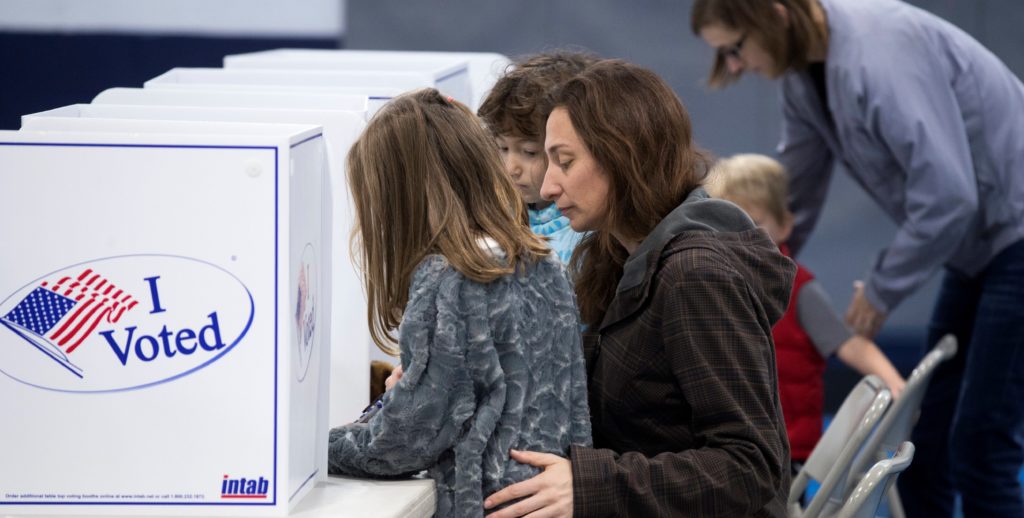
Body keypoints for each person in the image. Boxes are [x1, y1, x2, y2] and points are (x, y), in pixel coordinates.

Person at [691, 1, 1024, 515]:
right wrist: (751, 277)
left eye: (734, 48)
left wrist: (884, 287)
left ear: (775, 14)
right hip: (978, 250)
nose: (733, 66)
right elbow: (793, 196)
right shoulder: (805, 75)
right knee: (926, 442)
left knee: (982, 439)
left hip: (1013, 237)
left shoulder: (880, 52)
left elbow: (950, 195)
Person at [483, 60, 794, 517]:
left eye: (564, 162)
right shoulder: (618, 252)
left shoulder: (695, 275)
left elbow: (750, 467)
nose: (548, 185)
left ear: (623, 157)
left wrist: (591, 486)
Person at [327, 89, 592, 518]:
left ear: (400, 198)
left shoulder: (451, 277)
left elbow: (406, 439)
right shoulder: (543, 260)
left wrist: (317, 449)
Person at [706, 153, 905, 471]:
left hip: (785, 449)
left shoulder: (799, 288)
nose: (737, 236)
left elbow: (848, 342)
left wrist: (895, 385)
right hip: (727, 446)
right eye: (724, 224)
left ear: (784, 225)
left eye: (753, 223)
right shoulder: (706, 286)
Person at [477, 51, 597, 264]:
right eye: (502, 148)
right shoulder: (493, 215)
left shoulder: (591, 232)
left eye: (529, 152)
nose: (511, 168)